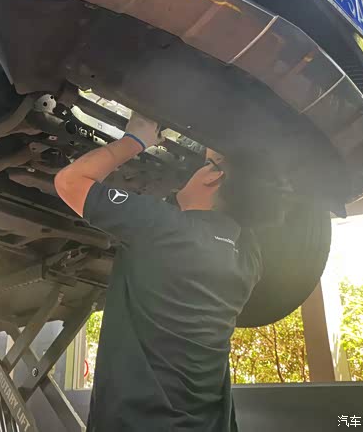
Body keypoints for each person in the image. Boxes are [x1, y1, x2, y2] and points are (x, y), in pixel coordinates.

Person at [54, 112, 273, 432]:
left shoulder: (166, 229)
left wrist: (135, 140)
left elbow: (70, 182)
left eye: (205, 164)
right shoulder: (246, 258)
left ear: (212, 178)